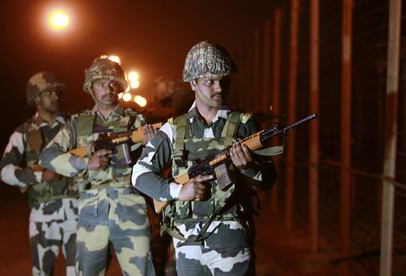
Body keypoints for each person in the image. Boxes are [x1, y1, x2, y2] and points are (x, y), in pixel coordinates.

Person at [132, 41, 276, 275]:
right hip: (187, 242)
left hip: (232, 238)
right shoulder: (173, 130)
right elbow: (139, 175)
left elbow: (268, 180)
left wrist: (248, 168)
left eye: (223, 80)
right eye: (209, 81)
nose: (218, 87)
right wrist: (179, 191)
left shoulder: (244, 125)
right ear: (193, 83)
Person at [39, 57, 156, 275]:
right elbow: (47, 155)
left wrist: (152, 147)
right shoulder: (77, 124)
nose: (108, 88)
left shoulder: (137, 121)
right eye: (101, 83)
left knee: (141, 271)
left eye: (113, 83)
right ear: (90, 88)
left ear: (120, 87)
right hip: (91, 209)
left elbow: (157, 165)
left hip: (130, 204)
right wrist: (85, 163)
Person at [0, 72, 78, 276]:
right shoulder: (23, 132)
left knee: (79, 272)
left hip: (75, 210)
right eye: (48, 92)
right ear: (35, 98)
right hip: (43, 214)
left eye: (56, 92)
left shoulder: (75, 125)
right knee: (42, 272)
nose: (56, 97)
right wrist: (39, 176)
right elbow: (4, 171)